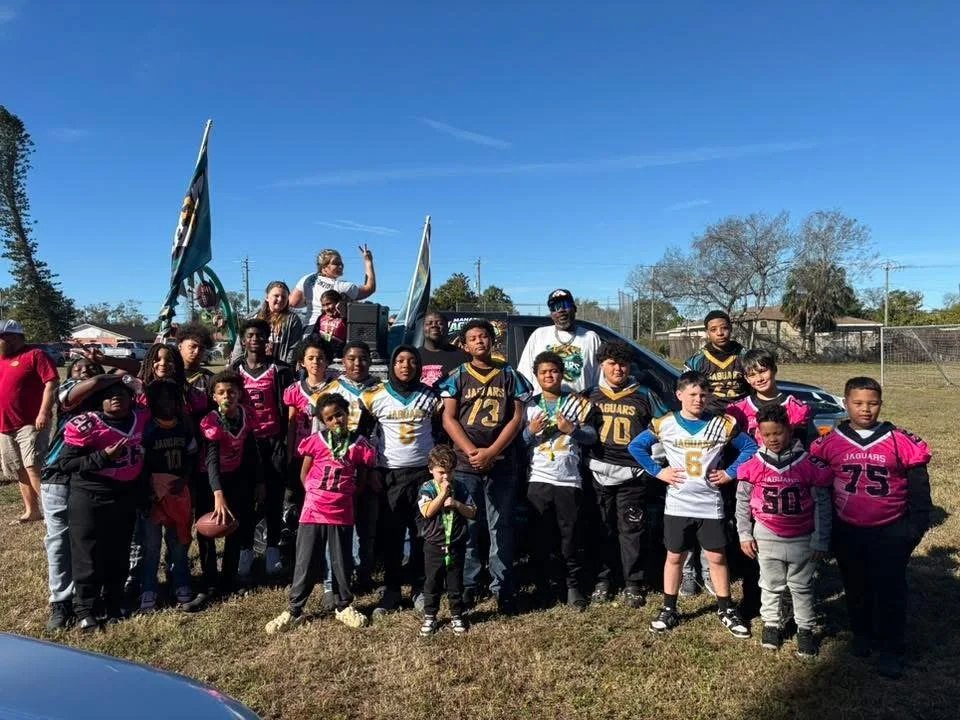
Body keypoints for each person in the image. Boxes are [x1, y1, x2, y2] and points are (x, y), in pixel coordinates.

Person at [811, 376, 932, 679]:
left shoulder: (899, 440)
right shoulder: (830, 442)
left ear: (881, 404)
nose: (866, 409)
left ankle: (891, 647)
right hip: (848, 528)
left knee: (890, 590)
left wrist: (913, 529)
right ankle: (861, 634)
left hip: (890, 528)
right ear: (845, 403)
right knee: (855, 586)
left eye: (873, 403)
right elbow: (820, 489)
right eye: (858, 403)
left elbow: (920, 490)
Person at [629, 371, 756, 638]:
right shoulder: (665, 423)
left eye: (703, 394)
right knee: (674, 556)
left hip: (710, 502)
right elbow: (636, 447)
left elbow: (750, 448)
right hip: (677, 504)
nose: (698, 399)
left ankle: (725, 607)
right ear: (679, 395)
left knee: (717, 557)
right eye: (692, 394)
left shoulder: (723, 423)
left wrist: (730, 472)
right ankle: (668, 607)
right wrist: (658, 471)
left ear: (709, 396)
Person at [439, 319, 533, 613]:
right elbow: (449, 418)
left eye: (484, 336)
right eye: (473, 338)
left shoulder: (510, 376)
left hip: (501, 461)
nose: (479, 341)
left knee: (500, 525)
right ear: (464, 346)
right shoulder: (457, 377)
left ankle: (502, 585)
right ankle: (468, 584)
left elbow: (516, 419)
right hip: (466, 463)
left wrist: (491, 451)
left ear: (493, 342)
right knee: (467, 524)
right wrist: (471, 451)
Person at [265, 393, 376, 633]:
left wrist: (347, 495)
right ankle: (294, 609)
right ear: (323, 421)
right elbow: (304, 473)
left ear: (347, 414)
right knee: (305, 560)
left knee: (341, 560)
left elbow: (363, 478)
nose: (335, 420)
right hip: (314, 509)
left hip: (341, 511)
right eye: (329, 417)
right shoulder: (316, 440)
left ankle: (343, 605)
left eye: (339, 414)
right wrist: (314, 494)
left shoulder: (359, 443)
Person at [735, 404, 833, 657]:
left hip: (802, 535)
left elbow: (822, 505)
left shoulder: (808, 464)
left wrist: (821, 540)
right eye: (767, 435)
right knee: (770, 584)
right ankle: (771, 624)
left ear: (790, 430)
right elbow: (742, 502)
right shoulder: (753, 464)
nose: (773, 439)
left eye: (778, 433)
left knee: (801, 586)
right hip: (766, 534)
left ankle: (805, 629)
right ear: (759, 434)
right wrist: (744, 533)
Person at [55, 381, 149, 631]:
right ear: (99, 400)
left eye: (121, 393)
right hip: (90, 495)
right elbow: (66, 464)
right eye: (109, 395)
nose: (116, 398)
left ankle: (114, 600)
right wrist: (103, 457)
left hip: (125, 494)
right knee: (88, 553)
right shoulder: (87, 424)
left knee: (119, 552)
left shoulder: (139, 418)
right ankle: (85, 607)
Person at [585, 340, 667, 608]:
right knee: (601, 527)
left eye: (622, 363)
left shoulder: (644, 394)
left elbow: (665, 427)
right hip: (598, 471)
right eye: (611, 363)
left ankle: (634, 582)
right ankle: (603, 578)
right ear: (601, 365)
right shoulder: (589, 395)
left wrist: (653, 460)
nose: (617, 368)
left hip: (632, 474)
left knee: (632, 529)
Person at [362, 345, 441, 616]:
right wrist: (372, 469)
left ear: (419, 366)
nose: (405, 365)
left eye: (411, 361)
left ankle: (420, 587)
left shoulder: (431, 397)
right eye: (399, 361)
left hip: (423, 473)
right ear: (392, 365)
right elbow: (364, 435)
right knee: (391, 534)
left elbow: (441, 431)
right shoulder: (374, 396)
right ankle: (392, 589)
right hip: (390, 474)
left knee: (423, 533)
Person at [40, 356, 114, 631]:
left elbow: (137, 374)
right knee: (59, 540)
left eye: (90, 368)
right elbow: (86, 387)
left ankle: (92, 595)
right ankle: (61, 601)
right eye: (78, 368)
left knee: (93, 539)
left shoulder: (108, 398)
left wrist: (109, 370)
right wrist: (105, 376)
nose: (84, 372)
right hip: (59, 475)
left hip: (94, 476)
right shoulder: (68, 391)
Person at [681, 310, 749, 598]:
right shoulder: (698, 360)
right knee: (695, 497)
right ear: (706, 332)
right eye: (713, 329)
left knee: (732, 500)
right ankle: (690, 570)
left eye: (724, 328)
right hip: (705, 430)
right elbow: (686, 387)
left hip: (738, 428)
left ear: (731, 329)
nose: (720, 333)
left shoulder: (744, 355)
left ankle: (730, 561)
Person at [523, 351, 596, 611]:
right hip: (539, 478)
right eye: (543, 372)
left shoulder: (578, 403)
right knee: (541, 535)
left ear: (562, 373)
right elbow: (519, 443)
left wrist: (572, 430)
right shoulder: (529, 405)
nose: (549, 376)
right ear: (537, 376)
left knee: (571, 535)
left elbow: (592, 437)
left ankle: (573, 585)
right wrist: (530, 432)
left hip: (569, 479)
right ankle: (545, 586)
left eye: (553, 371)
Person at [310, 339, 381, 590]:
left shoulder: (380, 389)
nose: (357, 363)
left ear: (370, 361)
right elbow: (317, 433)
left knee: (367, 527)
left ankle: (363, 575)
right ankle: (335, 581)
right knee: (337, 532)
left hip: (368, 467)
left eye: (362, 358)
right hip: (336, 475)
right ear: (343, 360)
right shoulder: (331, 390)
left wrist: (374, 469)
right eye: (351, 358)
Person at [231, 319, 295, 579]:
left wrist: (285, 442)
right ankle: (245, 552)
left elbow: (289, 408)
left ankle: (272, 552)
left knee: (274, 497)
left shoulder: (280, 370)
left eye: (260, 335)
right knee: (245, 500)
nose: (255, 339)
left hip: (273, 442)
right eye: (250, 335)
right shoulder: (236, 370)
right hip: (246, 443)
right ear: (244, 340)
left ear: (267, 339)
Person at [200, 370, 264, 595]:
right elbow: (211, 460)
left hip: (235, 475)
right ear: (214, 396)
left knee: (234, 526)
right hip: (209, 479)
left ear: (239, 394)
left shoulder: (246, 414)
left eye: (231, 391)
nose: (227, 396)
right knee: (208, 529)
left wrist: (259, 481)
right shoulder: (211, 420)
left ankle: (229, 579)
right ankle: (208, 580)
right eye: (221, 392)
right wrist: (217, 493)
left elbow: (251, 449)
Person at [139, 380, 198, 613]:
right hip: (154, 494)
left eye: (171, 399)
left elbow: (192, 456)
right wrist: (149, 489)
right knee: (151, 544)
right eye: (161, 399)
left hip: (178, 490)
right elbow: (141, 464)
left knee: (179, 541)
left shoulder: (183, 427)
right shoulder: (148, 429)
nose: (166, 403)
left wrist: (184, 479)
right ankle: (149, 587)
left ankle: (181, 582)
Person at [0, 319, 59, 524]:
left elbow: (51, 383)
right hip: (5, 424)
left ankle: (50, 512)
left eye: (2, 336)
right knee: (18, 468)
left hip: (30, 422)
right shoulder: (2, 360)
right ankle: (32, 511)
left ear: (15, 337)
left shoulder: (35, 355)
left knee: (33, 465)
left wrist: (44, 412)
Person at [417, 445, 477, 636]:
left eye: (450, 472)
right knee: (432, 582)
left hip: (456, 543)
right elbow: (426, 512)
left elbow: (473, 512)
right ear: (431, 470)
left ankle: (457, 616)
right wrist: (442, 494)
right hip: (433, 544)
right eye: (441, 472)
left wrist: (457, 504)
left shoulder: (460, 487)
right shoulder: (427, 488)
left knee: (455, 582)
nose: (446, 477)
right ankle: (430, 616)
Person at [177, 323, 217, 608]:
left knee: (204, 519)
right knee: (174, 522)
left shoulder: (208, 380)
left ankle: (209, 577)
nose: (197, 351)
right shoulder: (164, 375)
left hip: (200, 460)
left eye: (201, 347)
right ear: (179, 346)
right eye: (192, 346)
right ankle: (177, 573)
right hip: (169, 461)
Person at [517, 289, 601, 393]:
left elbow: (601, 379)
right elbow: (523, 377)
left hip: (580, 407)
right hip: (543, 407)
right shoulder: (538, 335)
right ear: (551, 313)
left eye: (565, 304)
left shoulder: (590, 338)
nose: (561, 310)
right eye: (555, 307)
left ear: (574, 308)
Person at [727, 348, 814, 446]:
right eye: (752, 375)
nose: (759, 379)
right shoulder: (739, 410)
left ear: (774, 370)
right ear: (746, 379)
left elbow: (801, 448)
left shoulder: (796, 408)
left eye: (763, 371)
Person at [290, 246, 377, 329]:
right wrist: (368, 261)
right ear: (324, 267)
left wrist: (311, 302)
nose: (341, 266)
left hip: (308, 330)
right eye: (336, 263)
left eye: (341, 263)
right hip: (330, 332)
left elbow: (293, 303)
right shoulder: (342, 286)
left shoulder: (307, 278)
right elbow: (369, 288)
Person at [231, 281, 305, 366]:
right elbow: (239, 346)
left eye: (284, 297)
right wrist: (236, 366)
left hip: (278, 369)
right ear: (267, 297)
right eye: (276, 296)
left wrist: (286, 370)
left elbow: (294, 349)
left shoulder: (293, 320)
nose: (280, 299)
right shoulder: (252, 318)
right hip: (251, 369)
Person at [419, 311, 469, 388]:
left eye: (440, 323)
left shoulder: (463, 356)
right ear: (422, 328)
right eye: (429, 323)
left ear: (447, 327)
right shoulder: (414, 356)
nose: (434, 326)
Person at [312, 289, 347, 358]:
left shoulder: (346, 318)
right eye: (323, 305)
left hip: (339, 356)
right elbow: (314, 335)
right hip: (322, 355)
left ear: (337, 303)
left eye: (328, 304)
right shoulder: (321, 318)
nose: (326, 308)